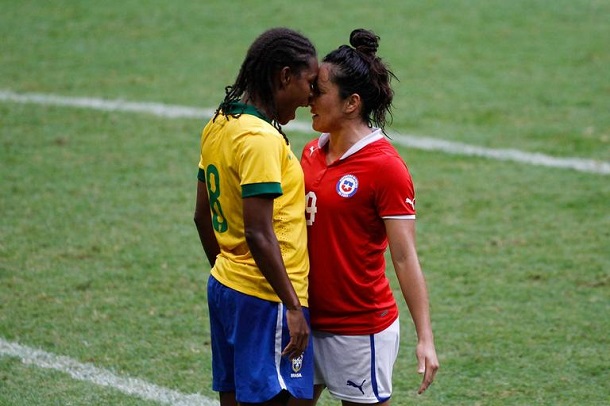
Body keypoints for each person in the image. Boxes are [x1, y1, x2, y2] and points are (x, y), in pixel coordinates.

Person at [296, 29, 439, 405]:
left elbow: (405, 256)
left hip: (358, 330)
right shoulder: (310, 152)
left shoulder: (385, 167)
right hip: (304, 320)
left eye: (319, 91)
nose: (308, 99)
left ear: (351, 103)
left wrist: (425, 337)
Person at [193, 27, 319, 406]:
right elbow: (259, 233)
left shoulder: (220, 123)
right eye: (309, 83)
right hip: (269, 297)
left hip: (226, 286)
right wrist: (293, 306)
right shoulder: (261, 140)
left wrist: (231, 274)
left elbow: (201, 216)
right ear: (284, 76)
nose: (312, 94)